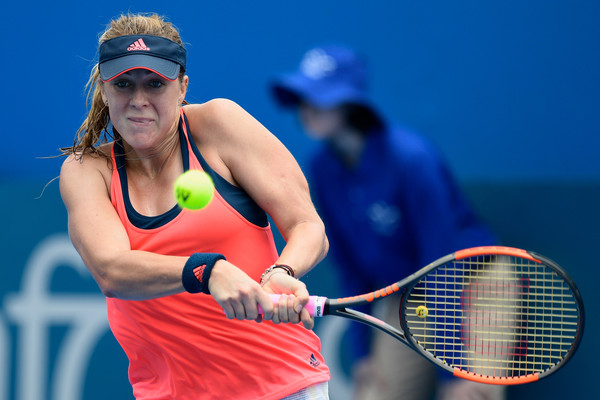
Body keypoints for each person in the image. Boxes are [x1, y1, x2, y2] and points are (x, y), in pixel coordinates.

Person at [59, 13, 331, 400]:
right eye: (123, 84)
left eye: (155, 83)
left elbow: (308, 226)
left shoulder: (219, 125)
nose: (139, 100)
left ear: (182, 87)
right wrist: (208, 271)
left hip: (280, 387)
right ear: (105, 90)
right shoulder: (88, 171)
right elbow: (111, 270)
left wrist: (282, 271)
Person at [270, 45, 505, 400]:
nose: (307, 109)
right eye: (303, 97)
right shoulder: (322, 168)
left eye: (319, 98)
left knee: (465, 396)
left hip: (473, 283)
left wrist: (454, 372)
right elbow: (353, 267)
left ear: (350, 105)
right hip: (409, 292)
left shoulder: (413, 160)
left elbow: (441, 267)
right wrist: (363, 354)